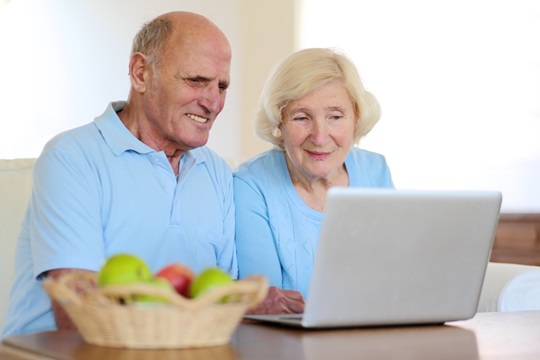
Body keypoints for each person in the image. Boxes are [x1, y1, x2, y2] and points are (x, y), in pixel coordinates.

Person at [1, 11, 288, 338]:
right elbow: (80, 315)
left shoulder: (218, 173)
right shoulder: (72, 157)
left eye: (221, 86)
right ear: (141, 73)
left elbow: (218, 304)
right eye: (196, 80)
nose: (213, 102)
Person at [234, 48, 395, 299]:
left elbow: (392, 280)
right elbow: (266, 306)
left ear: (356, 117)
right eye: (301, 117)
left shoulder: (376, 171)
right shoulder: (250, 186)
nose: (320, 137)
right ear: (279, 122)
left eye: (335, 116)